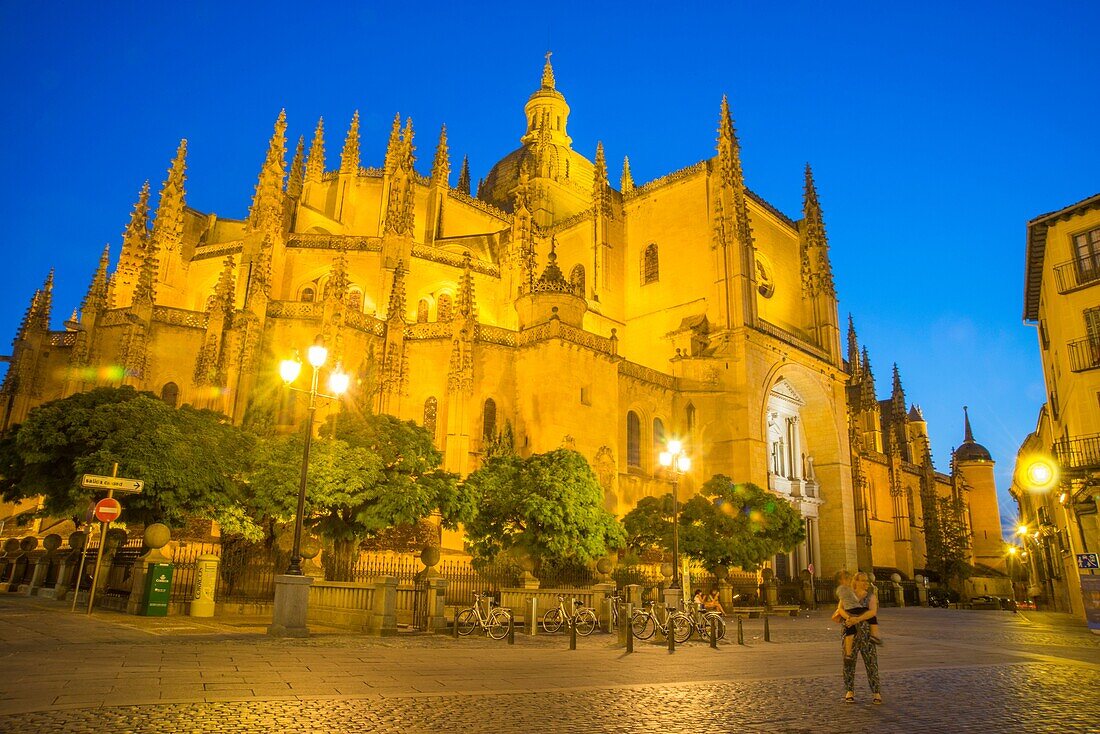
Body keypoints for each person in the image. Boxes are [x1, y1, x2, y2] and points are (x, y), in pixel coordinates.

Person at [838, 572, 883, 704]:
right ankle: (849, 690)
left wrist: (857, 619)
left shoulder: (870, 597)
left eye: (867, 581)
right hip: (849, 631)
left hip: (866, 634)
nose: (866, 583)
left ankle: (876, 692)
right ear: (855, 581)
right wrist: (848, 618)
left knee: (871, 662)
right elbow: (840, 609)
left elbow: (872, 612)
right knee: (848, 661)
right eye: (863, 581)